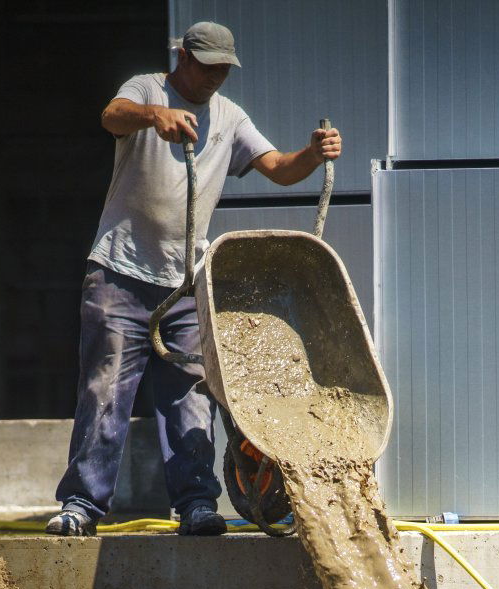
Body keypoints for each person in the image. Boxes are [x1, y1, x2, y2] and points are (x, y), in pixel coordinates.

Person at [48, 21, 342, 537]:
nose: (214, 79)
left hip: (185, 283)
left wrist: (312, 155)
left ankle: (197, 504)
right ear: (183, 57)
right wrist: (153, 116)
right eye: (207, 68)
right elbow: (111, 117)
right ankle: (82, 505)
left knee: (191, 395)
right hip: (119, 273)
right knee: (105, 389)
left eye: (223, 70)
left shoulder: (229, 117)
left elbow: (277, 166)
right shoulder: (146, 90)